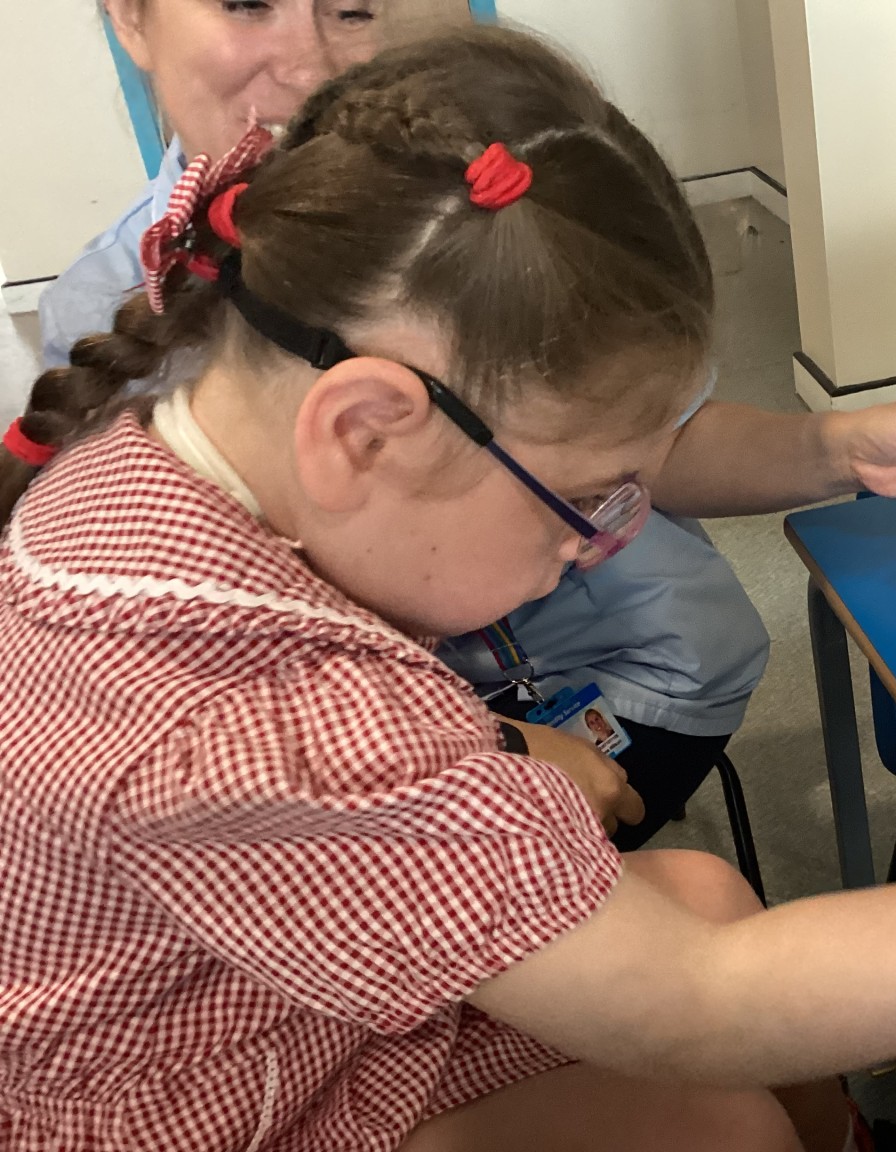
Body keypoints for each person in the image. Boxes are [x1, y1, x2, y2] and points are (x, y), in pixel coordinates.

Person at [0, 25, 896, 1150]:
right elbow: (698, 1002)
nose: (603, 540)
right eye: (588, 500)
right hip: (201, 1097)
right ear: (365, 431)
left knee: (711, 897)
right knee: (719, 1116)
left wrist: (504, 743)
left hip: (255, 991)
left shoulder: (171, 434)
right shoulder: (264, 732)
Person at [43, 0, 771, 852]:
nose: (311, 63)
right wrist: (483, 743)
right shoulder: (225, 719)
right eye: (247, 4)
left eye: (353, 9)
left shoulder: (490, 226)